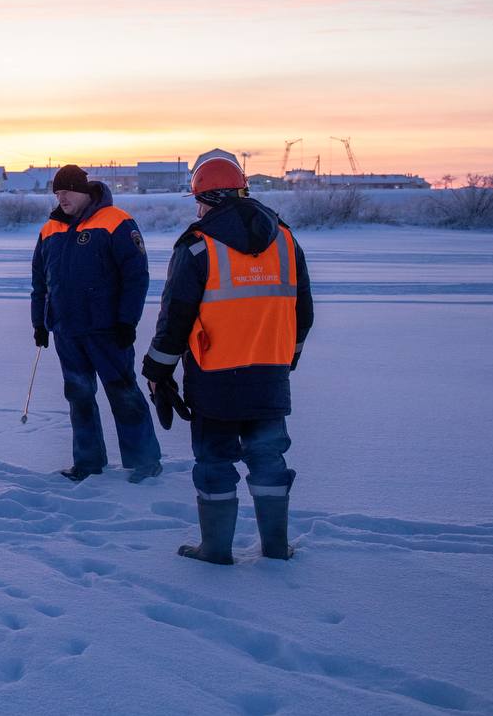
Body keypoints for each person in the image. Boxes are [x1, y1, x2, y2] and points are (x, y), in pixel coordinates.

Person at [141, 151, 313, 564]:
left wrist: (156, 372)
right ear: (242, 190)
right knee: (268, 458)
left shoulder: (198, 247)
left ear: (203, 197)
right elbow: (302, 312)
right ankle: (275, 547)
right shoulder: (286, 240)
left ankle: (216, 550)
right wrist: (286, 359)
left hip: (214, 377)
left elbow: (175, 318)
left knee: (215, 460)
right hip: (269, 374)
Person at [31, 164, 162, 483]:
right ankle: (88, 462)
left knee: (123, 394)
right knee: (79, 396)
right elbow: (39, 281)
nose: (61, 198)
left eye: (67, 191)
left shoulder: (116, 221)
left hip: (107, 331)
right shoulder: (50, 229)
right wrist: (40, 323)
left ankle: (144, 461)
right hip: (67, 330)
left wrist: (127, 321)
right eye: (57, 192)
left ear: (84, 191)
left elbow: (136, 276)